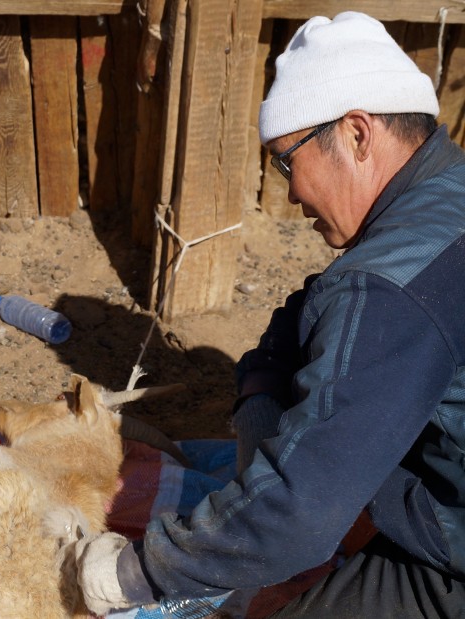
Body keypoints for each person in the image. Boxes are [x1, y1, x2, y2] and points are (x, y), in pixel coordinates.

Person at [74, 11, 465, 618]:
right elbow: (312, 312)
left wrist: (135, 571)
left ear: (358, 135)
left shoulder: (387, 290)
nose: (288, 192)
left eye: (287, 162)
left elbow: (299, 510)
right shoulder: (444, 197)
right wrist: (260, 390)